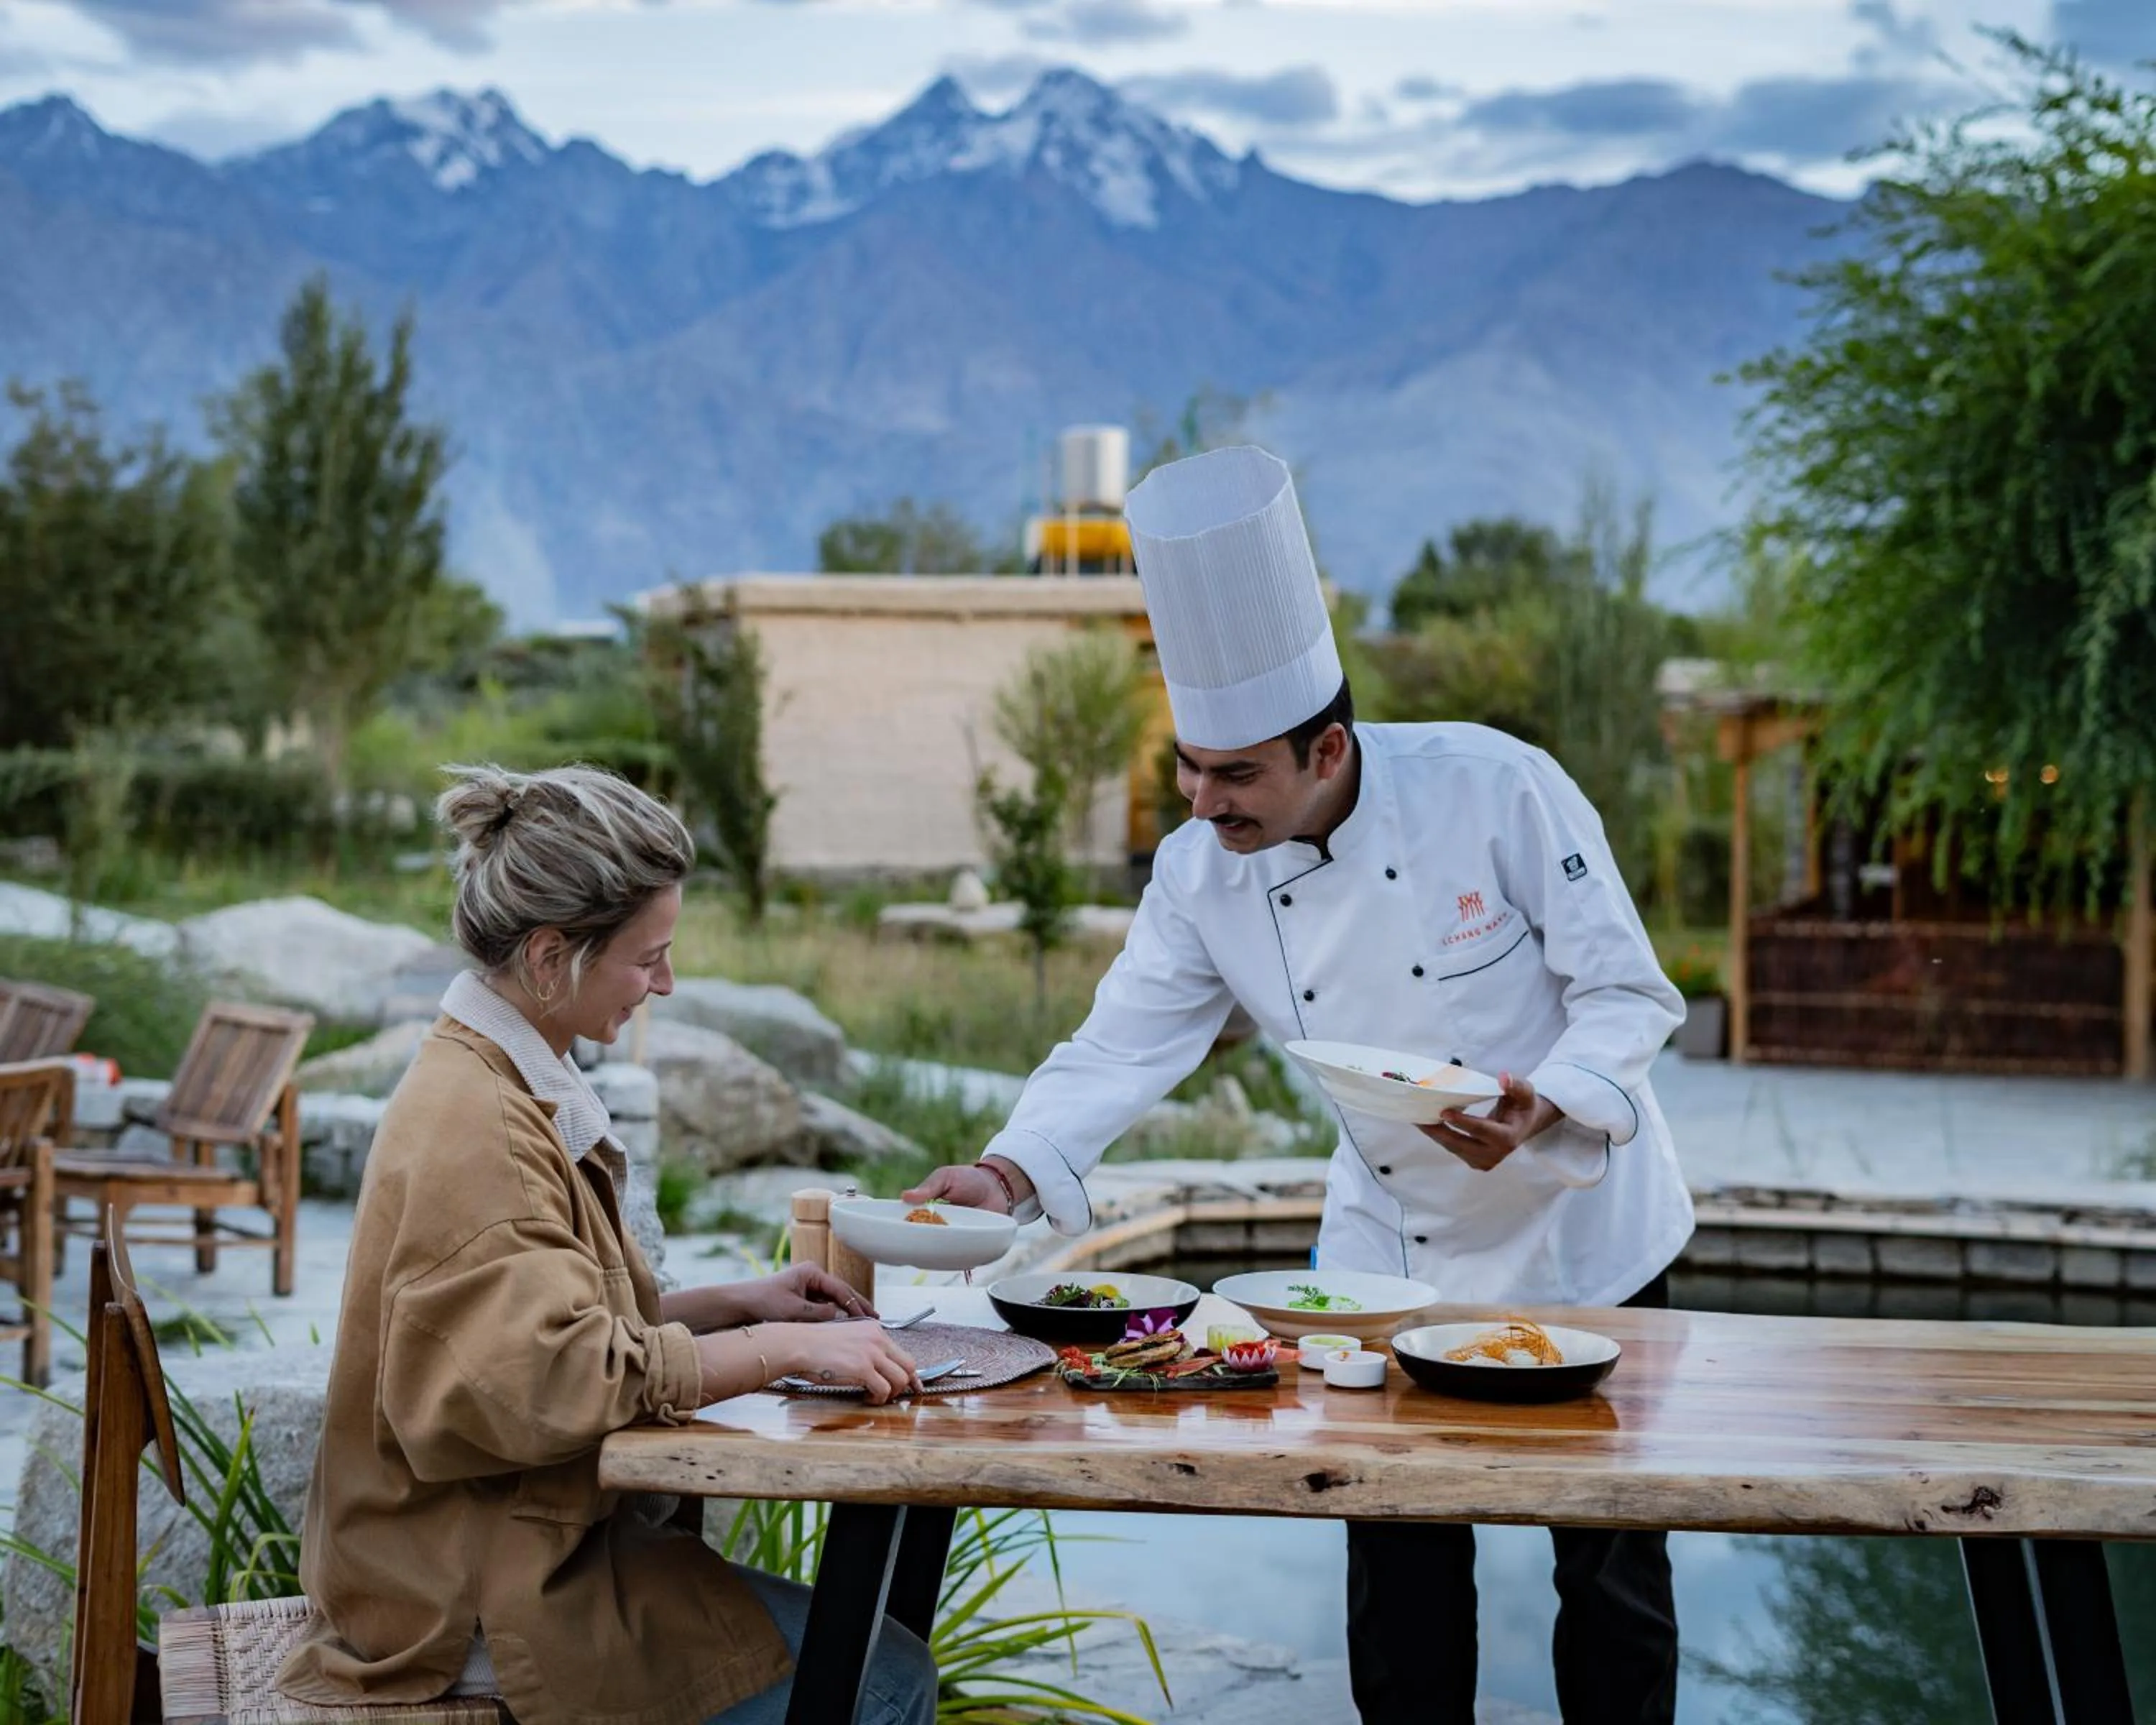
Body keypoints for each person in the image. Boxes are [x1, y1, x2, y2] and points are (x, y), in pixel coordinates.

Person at [904, 446, 1690, 1725]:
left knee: (1605, 1558)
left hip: (1578, 1225)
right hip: (1387, 1238)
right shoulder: (1199, 871)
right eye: (1188, 769)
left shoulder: (1500, 788)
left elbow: (1631, 997)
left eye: (1236, 778)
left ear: (1329, 746)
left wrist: (1545, 1098)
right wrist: (1006, 1168)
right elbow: (1121, 1046)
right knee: (1390, 1540)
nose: (1202, 803)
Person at [279, 764, 936, 1725]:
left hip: (495, 1549)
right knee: (886, 1679)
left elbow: (529, 1334)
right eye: (648, 957)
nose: (664, 983)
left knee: (873, 1653)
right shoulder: (485, 1131)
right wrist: (784, 1350)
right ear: (552, 957)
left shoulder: (493, 1072)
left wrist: (733, 1307)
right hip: (474, 1598)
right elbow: (545, 1382)